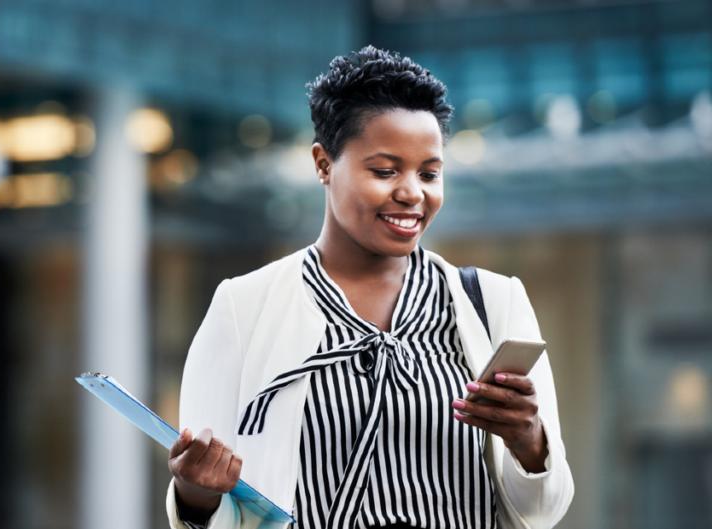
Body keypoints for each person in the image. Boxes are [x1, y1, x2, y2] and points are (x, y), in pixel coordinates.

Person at [164, 46, 574, 529]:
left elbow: (545, 511)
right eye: (384, 171)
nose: (412, 193)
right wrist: (194, 493)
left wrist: (529, 442)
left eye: (430, 173)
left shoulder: (494, 304)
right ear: (323, 164)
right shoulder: (243, 308)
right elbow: (209, 500)